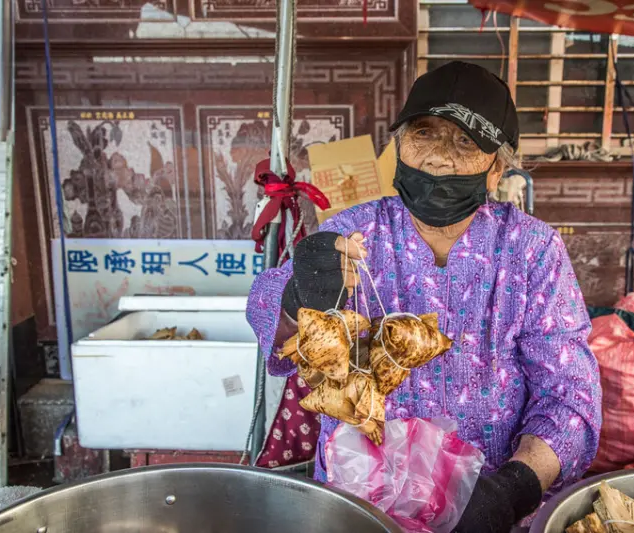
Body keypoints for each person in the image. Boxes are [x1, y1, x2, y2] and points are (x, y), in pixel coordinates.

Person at [247, 61, 602, 533]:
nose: (438, 158)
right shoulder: (352, 233)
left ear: (497, 167)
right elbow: (268, 318)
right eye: (423, 133)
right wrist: (297, 296)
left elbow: (570, 393)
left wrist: (514, 487)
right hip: (361, 503)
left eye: (463, 141)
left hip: (490, 508)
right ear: (398, 146)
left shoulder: (532, 250)